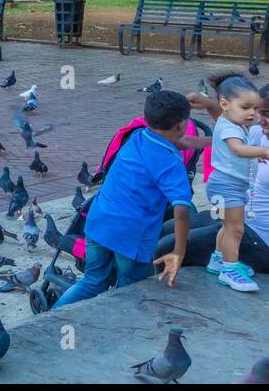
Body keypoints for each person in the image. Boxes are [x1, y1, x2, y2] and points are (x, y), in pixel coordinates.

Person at [54, 90, 194, 309]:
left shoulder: (136, 137)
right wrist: (179, 251)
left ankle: (53, 319)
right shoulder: (170, 162)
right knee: (130, 290)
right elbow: (182, 210)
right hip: (132, 236)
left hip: (99, 221)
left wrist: (210, 140)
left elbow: (181, 143)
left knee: (92, 281)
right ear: (181, 125)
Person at [202, 74, 269, 291]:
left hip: (229, 186)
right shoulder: (230, 128)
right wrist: (264, 151)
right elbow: (238, 150)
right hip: (226, 186)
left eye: (255, 108)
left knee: (227, 226)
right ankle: (229, 270)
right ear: (225, 105)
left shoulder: (232, 122)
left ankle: (219, 259)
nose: (252, 113)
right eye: (246, 107)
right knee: (236, 229)